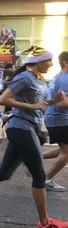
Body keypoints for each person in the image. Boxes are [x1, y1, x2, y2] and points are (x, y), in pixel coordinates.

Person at [0, 47, 68, 228]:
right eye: (48, 61)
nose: (51, 65)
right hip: (21, 128)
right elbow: (3, 100)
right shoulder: (25, 77)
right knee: (39, 176)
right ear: (37, 62)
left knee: (3, 173)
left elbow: (38, 105)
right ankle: (44, 223)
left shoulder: (38, 79)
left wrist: (54, 101)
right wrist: (31, 105)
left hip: (28, 128)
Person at [44, 51, 68, 192]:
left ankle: (32, 158)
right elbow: (62, 103)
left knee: (63, 149)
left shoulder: (60, 77)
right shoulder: (65, 79)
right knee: (66, 152)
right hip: (59, 118)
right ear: (65, 62)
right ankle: (46, 179)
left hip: (56, 118)